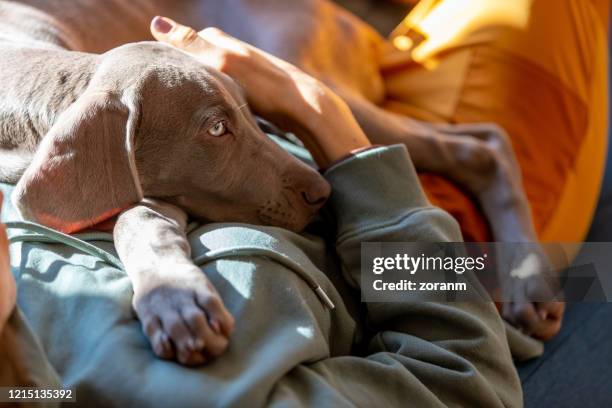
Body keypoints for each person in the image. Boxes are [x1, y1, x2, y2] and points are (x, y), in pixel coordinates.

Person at [0, 19, 527, 406]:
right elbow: (470, 376)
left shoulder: (36, 368)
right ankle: (480, 164)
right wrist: (325, 122)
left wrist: (149, 246)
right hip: (409, 243)